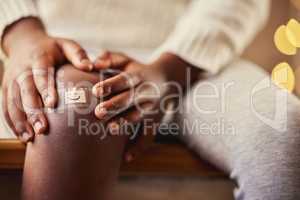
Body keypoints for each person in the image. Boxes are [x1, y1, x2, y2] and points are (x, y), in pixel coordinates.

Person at [1, 0, 300, 199]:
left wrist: (169, 70)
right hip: (62, 49)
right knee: (71, 108)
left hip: (196, 60)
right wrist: (22, 34)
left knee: (280, 127)